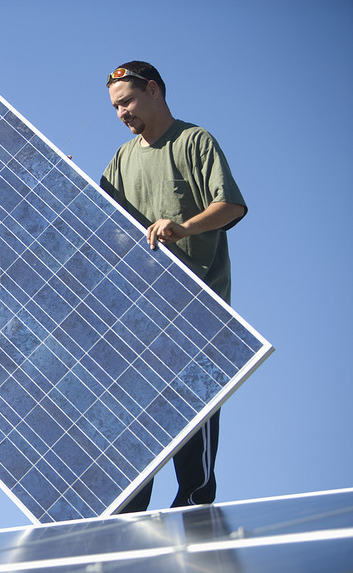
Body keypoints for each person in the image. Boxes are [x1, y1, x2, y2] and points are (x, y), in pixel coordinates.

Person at [99, 62, 247, 512]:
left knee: (191, 421)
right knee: (135, 424)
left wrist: (182, 228)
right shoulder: (122, 159)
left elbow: (231, 206)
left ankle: (194, 510)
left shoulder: (194, 141)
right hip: (143, 313)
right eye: (115, 107)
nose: (121, 113)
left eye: (127, 101)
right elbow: (96, 225)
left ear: (154, 90)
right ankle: (126, 520)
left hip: (197, 309)